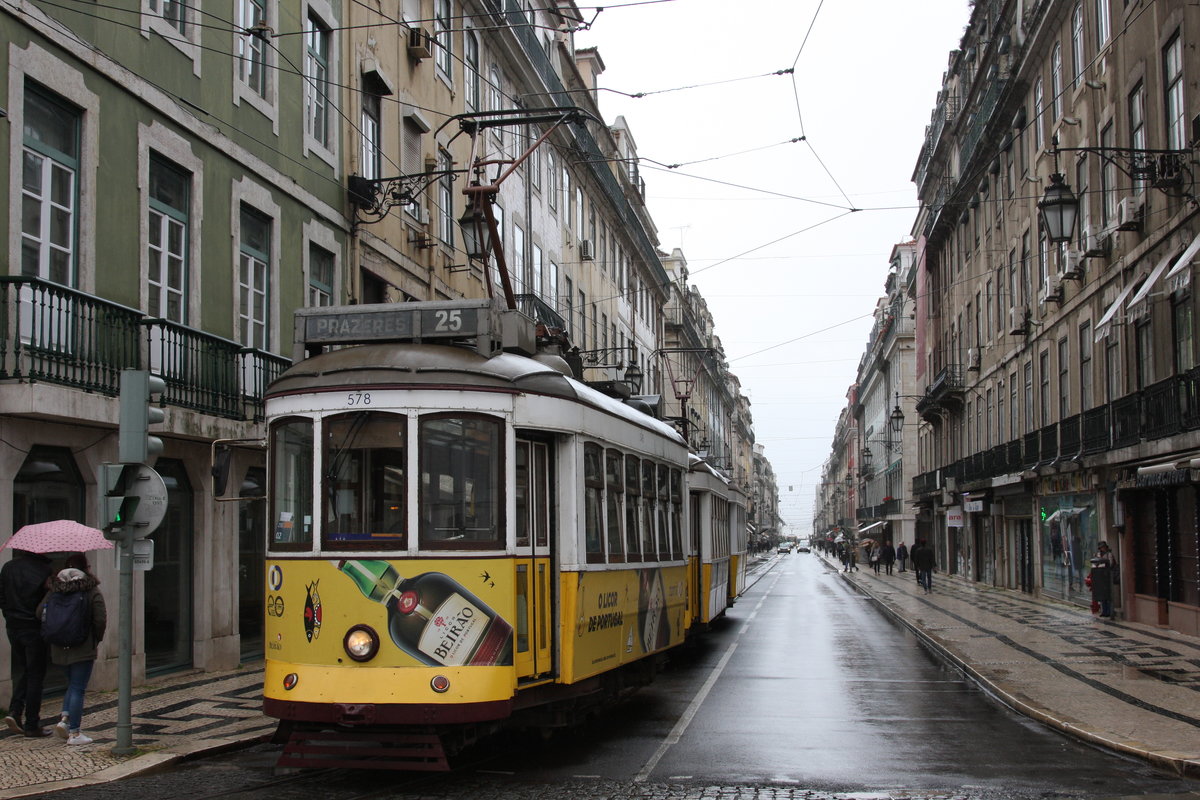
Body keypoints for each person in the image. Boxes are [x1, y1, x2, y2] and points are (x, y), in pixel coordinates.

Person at [41, 553, 106, 745]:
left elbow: (40, 612)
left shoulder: (55, 589)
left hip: (59, 646)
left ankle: (65, 719)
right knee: (78, 688)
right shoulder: (91, 589)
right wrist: (96, 639)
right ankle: (75, 733)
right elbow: (100, 618)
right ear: (85, 568)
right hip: (83, 646)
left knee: (72, 685)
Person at [0, 549, 54, 737]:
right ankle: (32, 723)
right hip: (33, 627)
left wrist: (9, 615)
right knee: (35, 674)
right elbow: (47, 603)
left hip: (13, 626)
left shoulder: (8, 567)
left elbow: (2, 597)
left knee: (25, 670)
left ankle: (15, 711)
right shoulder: (45, 569)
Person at [1090, 541, 1118, 619]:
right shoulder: (1098, 554)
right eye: (1101, 547)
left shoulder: (1109, 554)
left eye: (1103, 547)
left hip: (1107, 576)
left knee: (1107, 595)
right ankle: (1104, 611)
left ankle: (1109, 611)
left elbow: (1111, 564)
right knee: (1102, 595)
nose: (1102, 548)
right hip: (1100, 577)